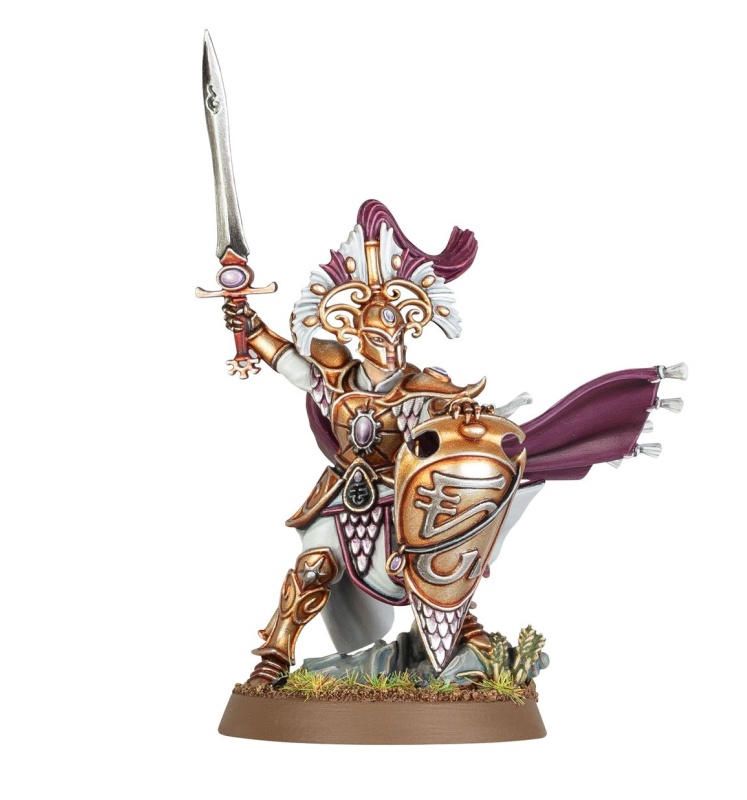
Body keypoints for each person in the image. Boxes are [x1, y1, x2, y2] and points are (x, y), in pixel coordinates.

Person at [222, 200, 683, 684]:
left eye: (398, 334)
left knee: (434, 565)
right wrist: (246, 322)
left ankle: (463, 630)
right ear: (358, 334)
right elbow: (287, 362)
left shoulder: (424, 391)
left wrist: (464, 417)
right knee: (311, 570)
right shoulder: (334, 382)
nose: (391, 346)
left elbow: (451, 425)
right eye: (379, 335)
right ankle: (274, 659)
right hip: (342, 495)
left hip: (400, 497)